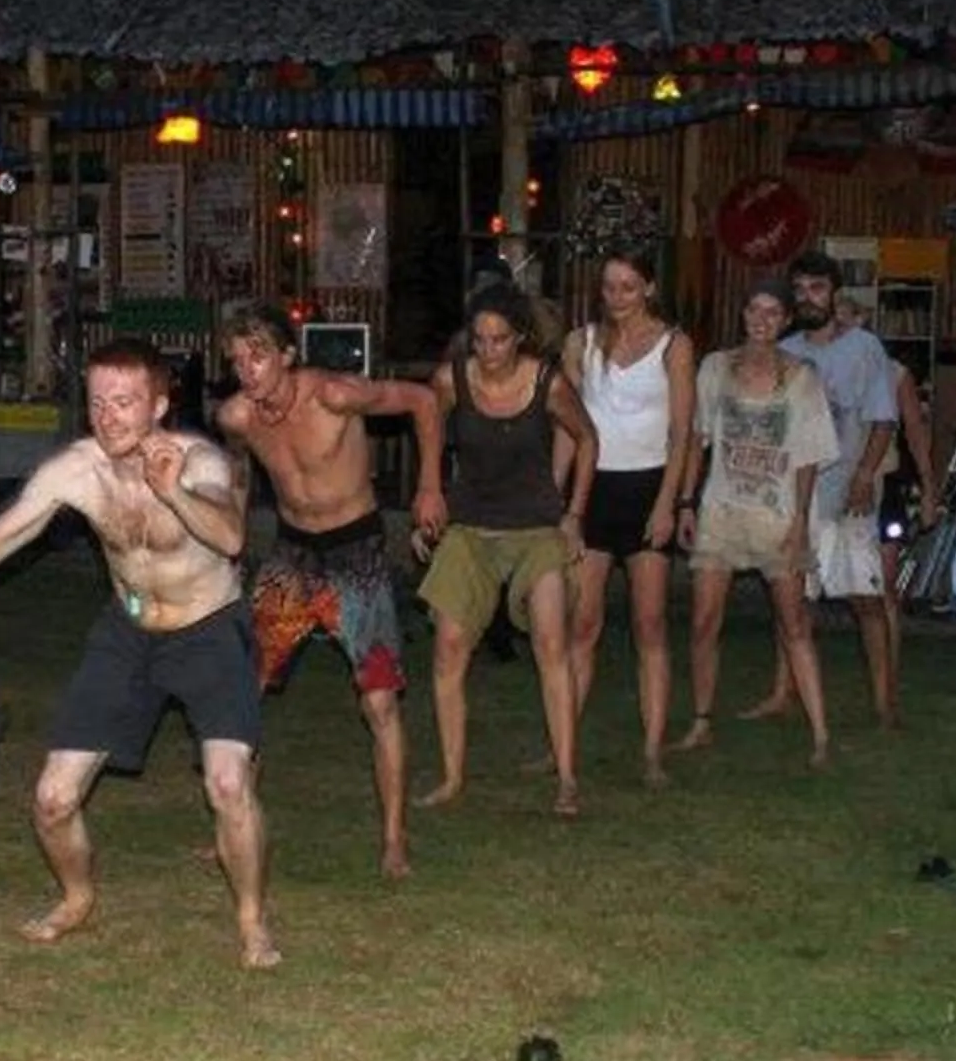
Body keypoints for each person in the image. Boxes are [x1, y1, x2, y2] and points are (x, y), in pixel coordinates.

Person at [0, 340, 276, 968]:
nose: (108, 416)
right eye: (97, 402)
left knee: (229, 784)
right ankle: (77, 897)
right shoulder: (75, 471)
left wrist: (174, 493)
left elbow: (231, 537)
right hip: (128, 634)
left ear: (159, 406)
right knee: (52, 799)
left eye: (125, 402)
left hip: (208, 630)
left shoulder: (198, 461)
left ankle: (252, 920)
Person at [212, 301, 444, 879]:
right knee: (242, 690)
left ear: (287, 355)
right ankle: (234, 825)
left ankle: (394, 839)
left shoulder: (333, 395)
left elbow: (423, 400)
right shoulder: (237, 416)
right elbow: (238, 473)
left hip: (355, 552)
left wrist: (430, 486)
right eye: (237, 359)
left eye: (258, 356)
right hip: (293, 555)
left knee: (379, 701)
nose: (247, 369)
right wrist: (230, 539)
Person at [419, 283, 598, 818]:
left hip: (535, 527)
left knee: (550, 639)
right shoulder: (452, 379)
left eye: (499, 340)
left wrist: (574, 515)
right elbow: (427, 423)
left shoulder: (548, 382)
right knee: (449, 647)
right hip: (470, 525)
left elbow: (588, 438)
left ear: (520, 337)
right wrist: (429, 488)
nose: (489, 350)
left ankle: (567, 777)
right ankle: (452, 777)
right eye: (480, 339)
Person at [674, 283, 841, 767]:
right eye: (754, 309)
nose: (761, 320)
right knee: (704, 621)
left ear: (786, 320)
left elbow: (809, 457)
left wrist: (800, 521)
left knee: (794, 623)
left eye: (772, 312)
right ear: (743, 314)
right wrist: (686, 503)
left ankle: (820, 734)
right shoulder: (715, 368)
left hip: (776, 512)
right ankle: (701, 720)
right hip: (722, 510)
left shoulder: (801, 377)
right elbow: (697, 439)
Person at [550, 246, 696, 787]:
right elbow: (569, 427)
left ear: (649, 288)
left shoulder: (674, 345)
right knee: (582, 623)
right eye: (610, 287)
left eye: (628, 287)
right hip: (594, 488)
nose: (617, 297)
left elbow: (683, 433)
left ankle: (652, 751)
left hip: (648, 486)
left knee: (649, 625)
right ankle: (562, 744)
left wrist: (669, 503)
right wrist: (556, 497)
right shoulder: (581, 343)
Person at [750, 292, 928, 728]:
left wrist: (917, 483)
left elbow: (900, 425)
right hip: (803, 495)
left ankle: (886, 698)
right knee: (793, 599)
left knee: (872, 594)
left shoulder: (879, 361)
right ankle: (784, 690)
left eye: (850, 313)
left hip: (859, 493)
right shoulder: (790, 354)